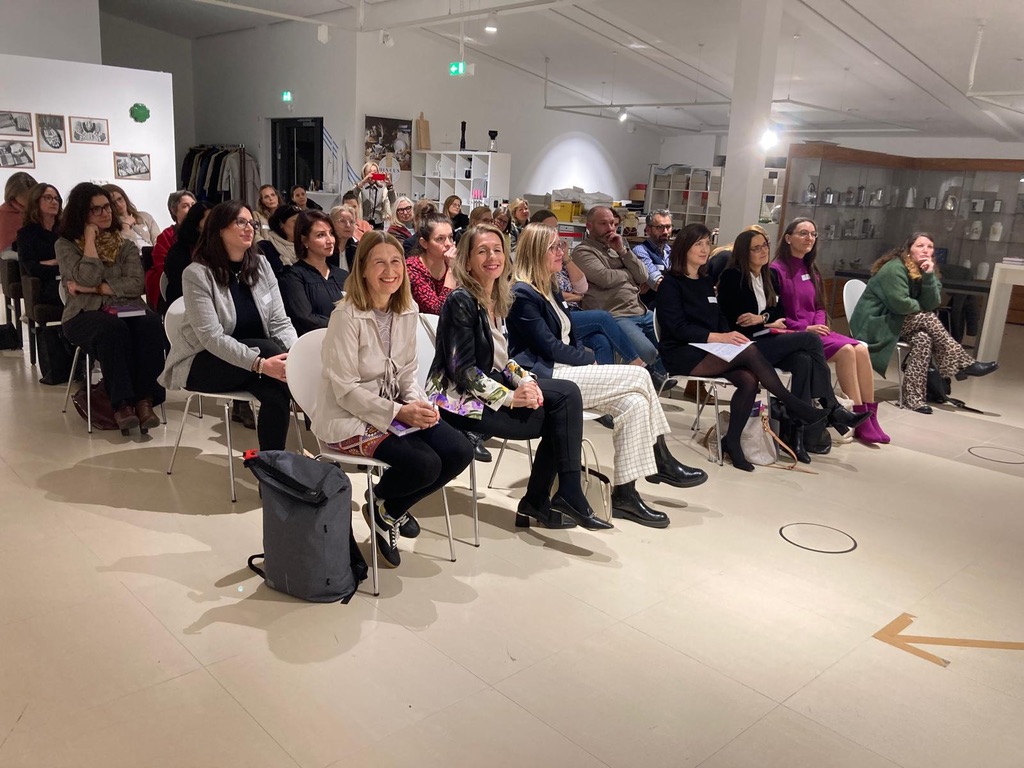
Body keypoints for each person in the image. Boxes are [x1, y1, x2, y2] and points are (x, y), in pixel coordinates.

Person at [508, 223, 708, 527]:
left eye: (561, 246)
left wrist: (583, 359)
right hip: (545, 376)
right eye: (554, 248)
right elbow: (548, 347)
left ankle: (626, 494)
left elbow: (569, 336)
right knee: (640, 377)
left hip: (568, 370)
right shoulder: (523, 293)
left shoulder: (549, 286)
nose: (561, 252)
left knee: (634, 404)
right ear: (536, 252)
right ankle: (661, 459)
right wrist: (589, 360)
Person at [427, 223, 604, 530]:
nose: (492, 257)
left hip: (488, 390)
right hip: (458, 402)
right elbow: (462, 371)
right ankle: (548, 498)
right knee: (561, 413)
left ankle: (556, 496)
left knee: (565, 398)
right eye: (482, 251)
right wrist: (510, 397)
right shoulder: (461, 300)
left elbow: (504, 359)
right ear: (467, 261)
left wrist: (526, 382)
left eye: (497, 250)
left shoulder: (496, 297)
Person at [314, 230, 473, 567]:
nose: (390, 271)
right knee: (424, 464)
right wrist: (400, 411)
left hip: (394, 408)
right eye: (379, 263)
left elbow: (406, 374)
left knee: (459, 451)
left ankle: (386, 508)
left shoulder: (407, 309)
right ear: (362, 269)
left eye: (396, 262)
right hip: (349, 415)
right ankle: (388, 505)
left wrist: (418, 405)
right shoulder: (346, 316)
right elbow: (345, 390)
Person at [657, 223, 829, 471]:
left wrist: (729, 335)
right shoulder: (671, 284)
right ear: (684, 248)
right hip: (682, 352)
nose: (705, 249)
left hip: (709, 349)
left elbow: (718, 317)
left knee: (749, 379)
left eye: (707, 243)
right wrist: (719, 337)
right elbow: (676, 328)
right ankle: (793, 404)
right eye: (698, 244)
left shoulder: (704, 280)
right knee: (749, 349)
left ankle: (732, 442)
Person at [717, 228, 869, 461]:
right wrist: (764, 319)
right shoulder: (733, 277)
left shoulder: (768, 275)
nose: (763, 251)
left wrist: (762, 318)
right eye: (756, 248)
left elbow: (778, 312)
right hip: (746, 344)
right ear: (744, 253)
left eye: (765, 246)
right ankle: (831, 405)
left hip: (767, 337)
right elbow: (738, 318)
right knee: (810, 339)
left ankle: (796, 435)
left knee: (803, 361)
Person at [160, 201, 297, 450]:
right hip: (203, 362)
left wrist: (295, 355)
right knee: (267, 349)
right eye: (240, 222)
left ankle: (272, 465)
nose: (249, 228)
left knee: (276, 393)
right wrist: (261, 364)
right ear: (220, 229)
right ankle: (318, 418)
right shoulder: (197, 274)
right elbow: (211, 337)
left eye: (252, 223)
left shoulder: (262, 266)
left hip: (250, 362)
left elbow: (279, 321)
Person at [55, 183, 166, 433]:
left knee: (150, 322)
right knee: (112, 329)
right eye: (95, 209)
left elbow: (136, 284)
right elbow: (87, 276)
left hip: (126, 309)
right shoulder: (66, 245)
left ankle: (145, 401)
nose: (105, 213)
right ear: (82, 214)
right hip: (84, 314)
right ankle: (122, 405)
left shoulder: (125, 245)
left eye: (107, 207)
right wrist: (90, 240)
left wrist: (96, 288)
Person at [849, 232, 998, 414]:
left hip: (898, 321)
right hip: (875, 323)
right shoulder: (894, 268)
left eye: (930, 246)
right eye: (920, 246)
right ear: (908, 250)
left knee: (923, 338)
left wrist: (928, 277)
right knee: (927, 317)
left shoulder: (925, 269)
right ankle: (963, 363)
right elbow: (901, 305)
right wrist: (922, 308)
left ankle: (913, 398)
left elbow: (933, 302)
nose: (926, 250)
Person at [772, 218, 888, 442]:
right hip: (797, 333)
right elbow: (776, 315)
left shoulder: (811, 269)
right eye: (803, 233)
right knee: (846, 351)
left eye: (813, 234)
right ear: (788, 238)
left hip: (817, 330)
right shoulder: (776, 271)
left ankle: (870, 415)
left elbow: (819, 306)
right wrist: (807, 327)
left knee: (861, 350)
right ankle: (854, 415)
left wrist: (820, 324)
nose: (809, 238)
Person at [571, 206, 676, 392]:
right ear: (589, 226)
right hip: (616, 314)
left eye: (612, 223)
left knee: (674, 344)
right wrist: (628, 273)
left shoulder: (618, 247)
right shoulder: (583, 252)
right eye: (603, 224)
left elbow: (643, 275)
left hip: (641, 310)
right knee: (648, 352)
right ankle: (645, 379)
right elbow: (605, 278)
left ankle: (651, 380)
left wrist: (622, 251)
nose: (610, 228)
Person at [17, 183, 71, 384]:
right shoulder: (27, 233)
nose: (53, 202)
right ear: (36, 201)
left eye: (56, 198)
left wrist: (52, 262)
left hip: (69, 280)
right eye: (48, 198)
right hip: (46, 286)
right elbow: (32, 268)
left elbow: (73, 261)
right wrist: (59, 264)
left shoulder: (64, 231)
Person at [280, 210, 348, 335]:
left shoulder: (343, 276)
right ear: (304, 240)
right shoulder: (292, 276)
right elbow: (305, 318)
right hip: (313, 341)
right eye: (321, 235)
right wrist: (343, 325)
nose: (330, 240)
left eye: (331, 233)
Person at [147, 190, 196, 310]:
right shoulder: (167, 236)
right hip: (176, 283)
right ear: (175, 211)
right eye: (185, 206)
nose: (191, 209)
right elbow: (162, 265)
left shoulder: (204, 234)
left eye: (193, 205)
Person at [163, 201, 212, 309]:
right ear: (196, 225)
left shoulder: (219, 247)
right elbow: (180, 287)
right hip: (186, 303)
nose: (215, 225)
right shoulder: (179, 252)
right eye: (209, 221)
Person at [407, 213, 457, 315]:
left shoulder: (450, 262)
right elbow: (438, 311)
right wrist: (452, 271)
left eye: (450, 237)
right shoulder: (412, 269)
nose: (448, 243)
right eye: (440, 239)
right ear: (424, 243)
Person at [632, 208, 673, 308]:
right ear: (648, 230)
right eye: (660, 227)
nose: (665, 232)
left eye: (668, 227)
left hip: (669, 304)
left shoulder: (670, 251)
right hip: (648, 307)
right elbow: (657, 283)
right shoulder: (640, 251)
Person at [102, 184, 160, 249]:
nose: (119, 204)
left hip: (153, 252)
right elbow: (123, 248)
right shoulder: (109, 226)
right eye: (113, 203)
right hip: (133, 254)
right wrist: (126, 226)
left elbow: (158, 239)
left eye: (120, 199)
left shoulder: (144, 216)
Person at [257, 203, 301, 274]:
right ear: (281, 224)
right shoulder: (264, 248)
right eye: (295, 222)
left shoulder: (306, 247)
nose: (300, 225)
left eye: (302, 222)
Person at [0, 171, 37, 252]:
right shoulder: (4, 213)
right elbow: (4, 250)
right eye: (25, 196)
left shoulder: (39, 209)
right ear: (13, 195)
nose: (29, 200)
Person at [353, 162, 396, 227]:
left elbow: (393, 201)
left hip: (379, 223)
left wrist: (389, 185)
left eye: (375, 172)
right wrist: (363, 182)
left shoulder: (382, 188)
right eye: (370, 172)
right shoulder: (360, 187)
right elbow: (352, 197)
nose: (373, 174)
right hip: (363, 223)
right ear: (364, 174)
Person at [328, 205, 359, 271]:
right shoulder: (326, 249)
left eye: (351, 222)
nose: (348, 225)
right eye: (342, 221)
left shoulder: (356, 249)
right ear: (331, 224)